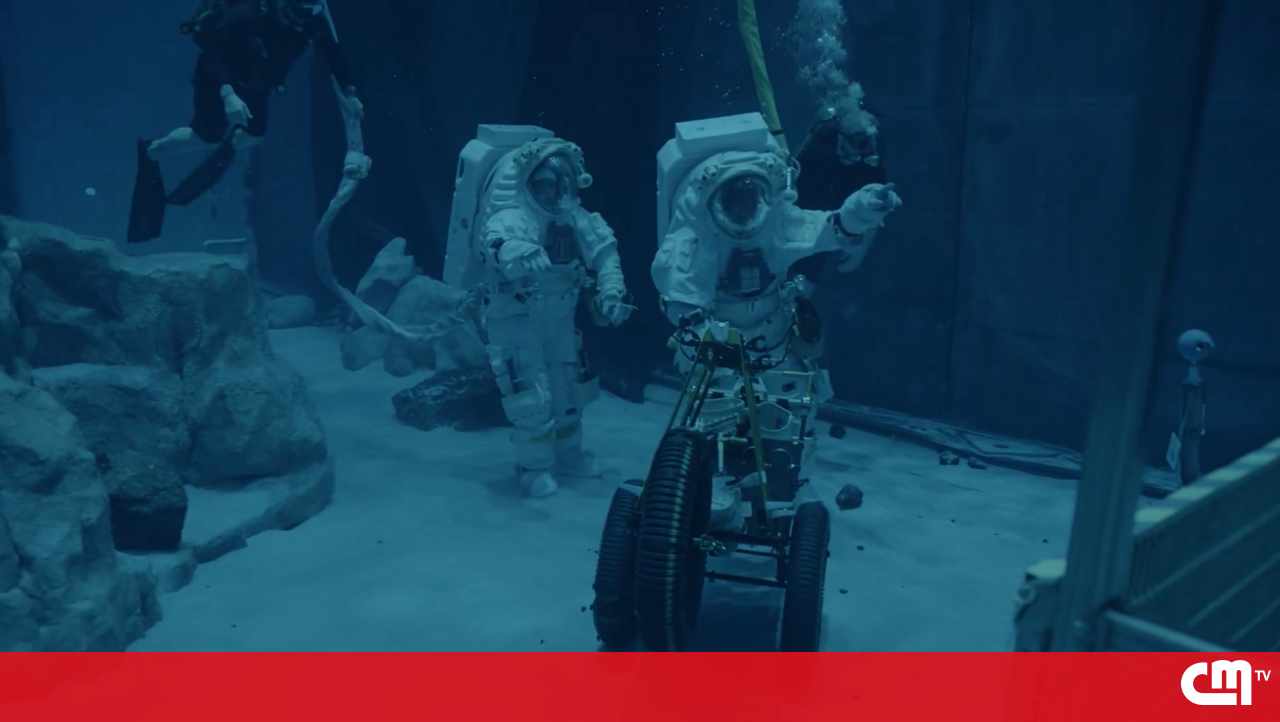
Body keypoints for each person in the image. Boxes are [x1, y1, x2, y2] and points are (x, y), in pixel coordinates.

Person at [652, 126, 901, 406]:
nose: (744, 212)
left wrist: (865, 206)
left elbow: (833, 226)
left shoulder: (776, 225)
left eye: (750, 201)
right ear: (710, 202)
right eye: (734, 203)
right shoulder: (696, 240)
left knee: (793, 409)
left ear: (763, 198)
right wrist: (705, 338)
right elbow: (680, 299)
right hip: (719, 344)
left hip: (776, 337)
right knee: (720, 413)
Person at [469, 137, 632, 498]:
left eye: (560, 184)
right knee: (532, 400)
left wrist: (611, 291)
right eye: (544, 184)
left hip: (560, 320)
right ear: (528, 184)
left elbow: (605, 254)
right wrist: (518, 250)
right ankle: (534, 468)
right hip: (516, 319)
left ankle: (570, 455)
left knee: (568, 391)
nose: (553, 193)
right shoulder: (513, 218)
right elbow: (494, 243)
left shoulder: (576, 218)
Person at [128, 0, 364, 242]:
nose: (301, 19)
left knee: (255, 134)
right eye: (298, 10)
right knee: (205, 137)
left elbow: (333, 53)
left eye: (309, 9)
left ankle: (231, 142)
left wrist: (350, 93)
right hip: (216, 78)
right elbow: (214, 54)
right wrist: (228, 95)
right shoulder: (249, 14)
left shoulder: (311, 21)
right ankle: (153, 150)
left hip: (255, 85)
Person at [787, 106, 889, 293]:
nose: (855, 156)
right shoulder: (818, 150)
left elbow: (875, 205)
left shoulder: (870, 167)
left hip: (828, 226)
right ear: (840, 137)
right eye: (854, 143)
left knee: (812, 264)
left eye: (864, 146)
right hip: (801, 211)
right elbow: (790, 182)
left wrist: (864, 243)